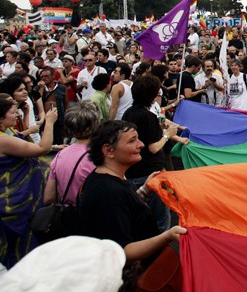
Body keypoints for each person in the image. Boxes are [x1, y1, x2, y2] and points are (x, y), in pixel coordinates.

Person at [78, 120, 186, 263]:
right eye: (132, 141)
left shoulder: (104, 179)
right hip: (134, 278)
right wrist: (167, 236)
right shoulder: (109, 192)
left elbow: (124, 210)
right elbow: (121, 251)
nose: (141, 144)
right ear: (109, 151)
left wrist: (144, 190)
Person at [122, 75, 187, 234]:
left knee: (139, 219)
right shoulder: (147, 116)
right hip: (151, 174)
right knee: (161, 221)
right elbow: (154, 147)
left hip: (133, 171)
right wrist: (168, 135)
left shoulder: (128, 113)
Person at [0, 93, 57, 267]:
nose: (16, 115)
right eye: (12, 112)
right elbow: (42, 147)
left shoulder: (7, 133)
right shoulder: (2, 140)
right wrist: (50, 122)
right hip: (15, 202)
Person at [43, 101, 99, 206]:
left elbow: (49, 198)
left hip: (69, 215)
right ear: (96, 124)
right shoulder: (99, 157)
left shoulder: (60, 155)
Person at [38, 67, 67, 145]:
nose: (44, 78)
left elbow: (66, 105)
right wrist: (41, 88)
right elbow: (37, 101)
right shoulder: (38, 88)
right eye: (42, 76)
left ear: (53, 76)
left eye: (46, 76)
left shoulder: (62, 88)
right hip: (44, 119)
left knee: (58, 141)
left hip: (59, 119)